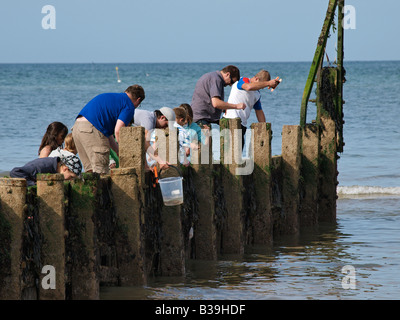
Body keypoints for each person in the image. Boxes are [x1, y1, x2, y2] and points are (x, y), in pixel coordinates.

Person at [72, 85, 145, 174]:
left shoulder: (113, 98)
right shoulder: (129, 105)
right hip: (91, 129)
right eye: (139, 105)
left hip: (77, 127)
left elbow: (107, 133)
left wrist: (117, 151)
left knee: (90, 171)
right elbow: (118, 130)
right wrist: (124, 151)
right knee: (101, 171)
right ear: (138, 100)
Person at [223, 69, 281, 148]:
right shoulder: (243, 80)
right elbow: (248, 87)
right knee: (230, 152)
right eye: (261, 85)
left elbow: (259, 111)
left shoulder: (257, 94)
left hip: (242, 125)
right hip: (230, 121)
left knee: (238, 153)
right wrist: (268, 83)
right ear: (256, 79)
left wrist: (264, 128)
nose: (261, 88)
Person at [191, 65, 246, 130]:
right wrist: (237, 106)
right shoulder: (216, 79)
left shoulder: (212, 76)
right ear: (227, 74)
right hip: (200, 119)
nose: (230, 85)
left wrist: (223, 108)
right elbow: (216, 103)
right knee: (206, 140)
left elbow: (207, 100)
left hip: (197, 117)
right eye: (231, 82)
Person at [10, 155, 82, 187]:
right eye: (71, 176)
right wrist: (34, 185)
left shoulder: (55, 167)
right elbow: (15, 172)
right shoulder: (43, 166)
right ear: (65, 168)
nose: (71, 179)